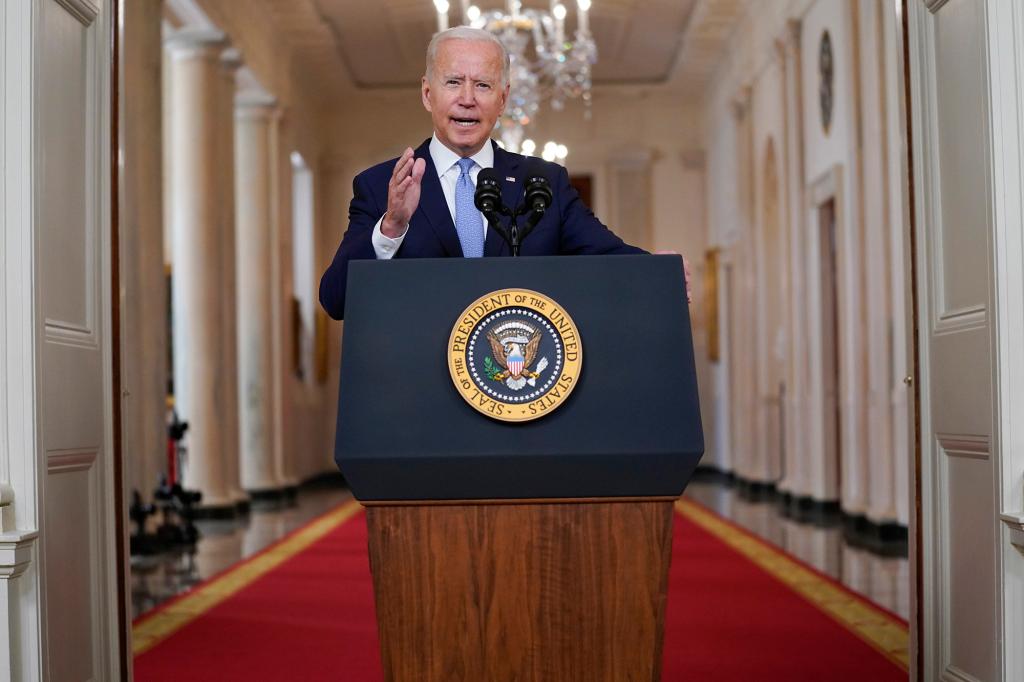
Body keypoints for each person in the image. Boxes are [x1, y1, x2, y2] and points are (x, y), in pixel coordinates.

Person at [319, 26, 665, 321]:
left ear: (503, 99)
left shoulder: (544, 183)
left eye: (483, 85)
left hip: (518, 388)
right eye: (453, 82)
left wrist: (659, 271)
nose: (467, 98)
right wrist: (391, 226)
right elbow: (337, 300)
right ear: (428, 93)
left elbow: (609, 257)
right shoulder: (381, 185)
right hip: (419, 394)